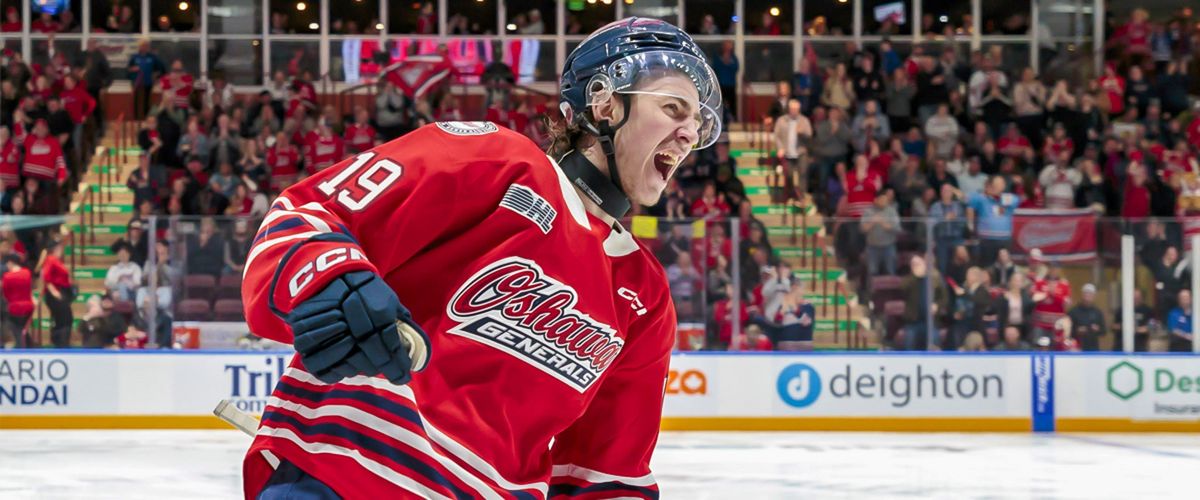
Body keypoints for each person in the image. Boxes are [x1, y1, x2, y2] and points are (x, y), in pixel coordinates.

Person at [241, 18, 721, 497]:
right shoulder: (496, 160)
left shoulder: (646, 297)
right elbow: (306, 215)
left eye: (696, 123)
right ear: (605, 103)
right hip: (341, 473)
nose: (688, 134)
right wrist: (334, 283)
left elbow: (606, 474)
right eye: (673, 108)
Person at [41, 240, 74, 348]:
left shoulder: (56, 260)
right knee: (65, 318)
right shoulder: (51, 259)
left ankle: (62, 342)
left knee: (64, 319)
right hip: (57, 292)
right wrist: (54, 291)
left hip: (62, 291)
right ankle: (61, 343)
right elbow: (46, 276)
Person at [127, 40, 165, 120]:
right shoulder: (134, 57)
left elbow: (161, 69)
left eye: (146, 46)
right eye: (142, 45)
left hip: (148, 82)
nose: (144, 47)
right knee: (137, 101)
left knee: (147, 101)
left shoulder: (153, 57)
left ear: (148, 47)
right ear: (139, 47)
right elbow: (128, 70)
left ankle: (147, 119)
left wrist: (156, 78)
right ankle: (136, 119)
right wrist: (133, 69)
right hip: (137, 83)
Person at [1, 254, 33, 348]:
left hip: (14, 308)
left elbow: (6, 293)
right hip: (28, 307)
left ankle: (21, 348)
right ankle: (29, 346)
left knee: (16, 329)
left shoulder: (7, 276)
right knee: (24, 329)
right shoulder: (27, 273)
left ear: (10, 263)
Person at [1067, 283, 1106, 351]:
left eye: (1090, 294)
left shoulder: (1097, 312)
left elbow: (1103, 331)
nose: (1087, 296)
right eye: (1086, 293)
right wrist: (1077, 331)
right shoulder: (1073, 312)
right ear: (1082, 295)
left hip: (1093, 348)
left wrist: (1097, 329)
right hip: (1077, 348)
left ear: (1094, 296)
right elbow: (1067, 331)